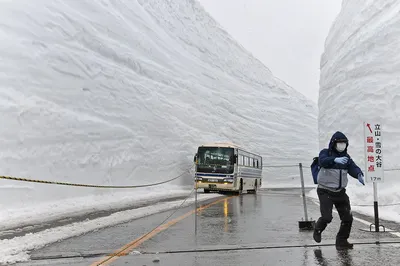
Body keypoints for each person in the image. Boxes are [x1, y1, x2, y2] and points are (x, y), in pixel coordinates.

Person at [313, 131, 365, 249]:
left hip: (340, 192)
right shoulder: (325, 153)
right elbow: (323, 161)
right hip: (325, 191)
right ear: (334, 143)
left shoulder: (346, 158)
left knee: (347, 218)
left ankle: (342, 241)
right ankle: (318, 229)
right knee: (327, 217)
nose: (342, 145)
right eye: (339, 143)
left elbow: (353, 167)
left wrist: (358, 174)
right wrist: (334, 159)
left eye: (344, 143)